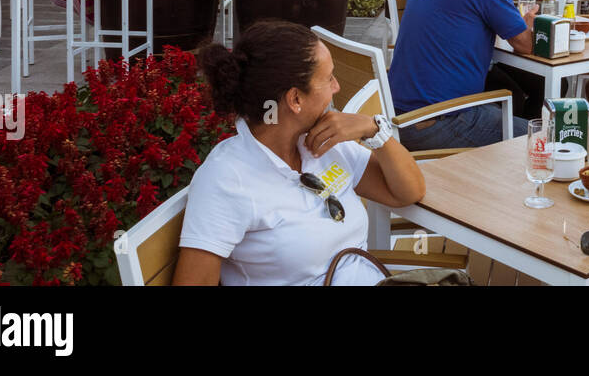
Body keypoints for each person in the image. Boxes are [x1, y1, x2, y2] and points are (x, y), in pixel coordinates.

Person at [174, 21, 426, 286]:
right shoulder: (228, 178)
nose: (337, 87)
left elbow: (408, 191)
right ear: (295, 99)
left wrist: (373, 130)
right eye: (329, 78)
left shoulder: (324, 140)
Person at [389, 0, 536, 150]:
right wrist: (528, 22)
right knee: (543, 137)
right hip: (441, 120)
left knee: (508, 94)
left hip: (398, 116)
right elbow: (524, 45)